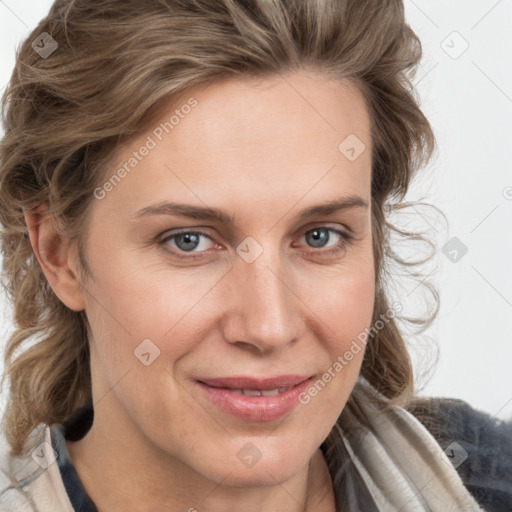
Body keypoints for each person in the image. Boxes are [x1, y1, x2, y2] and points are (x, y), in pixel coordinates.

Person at [0, 1, 510, 511]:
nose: (269, 327)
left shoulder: (489, 479)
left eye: (319, 237)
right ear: (58, 252)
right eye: (189, 241)